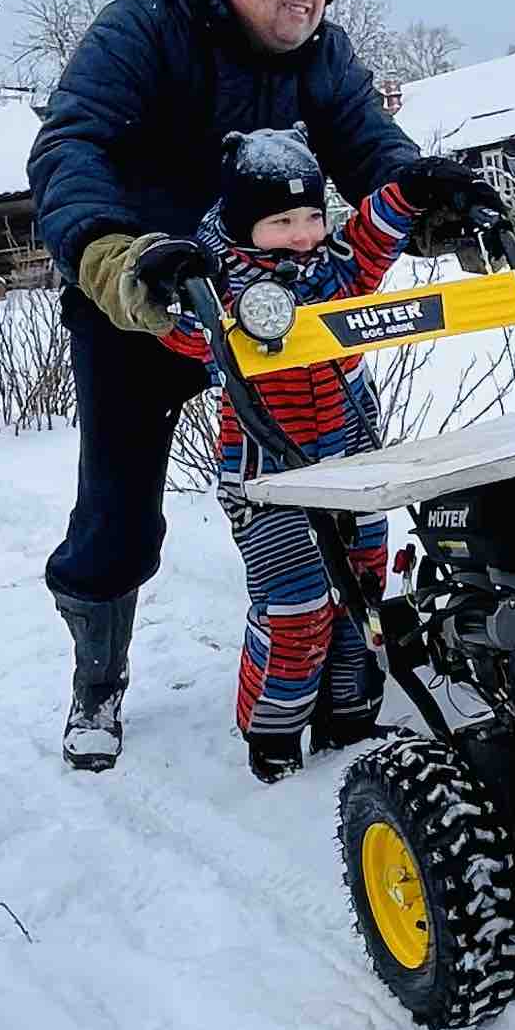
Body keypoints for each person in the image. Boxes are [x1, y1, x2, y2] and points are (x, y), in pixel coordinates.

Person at [24, 0, 485, 770]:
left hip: (283, 313)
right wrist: (121, 259)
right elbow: (70, 150)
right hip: (149, 298)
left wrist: (431, 201)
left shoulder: (322, 57)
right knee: (119, 516)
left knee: (343, 481)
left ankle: (344, 653)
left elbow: (370, 145)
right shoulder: (142, 32)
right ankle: (97, 674)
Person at [198, 125, 413, 780]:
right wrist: (172, 284)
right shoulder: (218, 283)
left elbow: (372, 239)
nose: (303, 232)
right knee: (295, 607)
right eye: (283, 220)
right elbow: (183, 335)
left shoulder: (334, 269)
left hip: (350, 468)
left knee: (363, 596)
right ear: (243, 224)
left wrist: (412, 191)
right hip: (268, 482)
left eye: (313, 215)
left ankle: (348, 716)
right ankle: (273, 733)